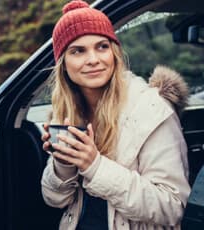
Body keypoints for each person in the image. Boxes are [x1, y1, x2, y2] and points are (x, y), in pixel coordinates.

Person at [40, 0, 190, 229]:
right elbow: (54, 199)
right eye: (78, 51)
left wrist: (95, 167)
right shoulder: (65, 112)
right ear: (63, 64)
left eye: (102, 46)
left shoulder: (151, 109)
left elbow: (171, 208)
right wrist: (63, 164)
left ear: (114, 52)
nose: (93, 59)